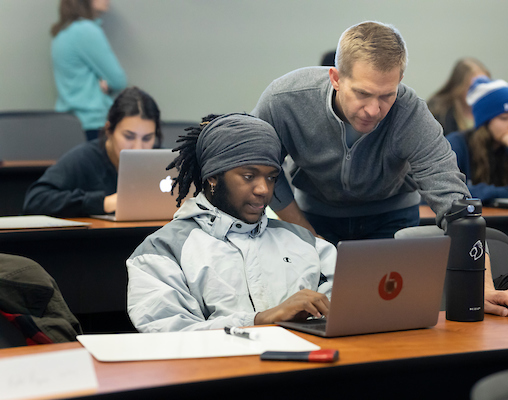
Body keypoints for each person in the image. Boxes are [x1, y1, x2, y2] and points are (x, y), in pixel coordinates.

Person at [252, 21, 508, 317]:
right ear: (335, 78)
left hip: (390, 216)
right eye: (362, 94)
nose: (374, 110)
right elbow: (260, 167)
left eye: (387, 95)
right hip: (314, 216)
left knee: (388, 317)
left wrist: (481, 287)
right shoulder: (285, 100)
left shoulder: (411, 114)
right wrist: (303, 230)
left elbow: (457, 205)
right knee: (317, 316)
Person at [126, 113, 336, 332]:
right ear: (212, 176)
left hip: (308, 363)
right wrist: (259, 320)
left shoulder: (308, 244)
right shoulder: (162, 250)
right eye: (248, 176)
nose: (263, 189)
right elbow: (167, 335)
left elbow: (344, 313)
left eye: (271, 177)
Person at [23, 87, 162, 217]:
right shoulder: (84, 158)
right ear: (109, 130)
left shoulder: (163, 163)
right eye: (129, 136)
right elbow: (35, 200)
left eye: (147, 138)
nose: (138, 148)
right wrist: (103, 203)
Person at [445, 76, 508, 204]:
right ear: (486, 122)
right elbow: (450, 190)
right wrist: (507, 192)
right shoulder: (457, 144)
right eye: (504, 118)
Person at [50, 0, 127, 141]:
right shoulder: (86, 30)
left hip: (69, 122)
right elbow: (118, 80)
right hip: (92, 123)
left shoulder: (64, 30)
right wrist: (105, 83)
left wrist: (102, 81)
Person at [427, 58, 491, 135]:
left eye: (484, 87)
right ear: (459, 88)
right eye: (472, 87)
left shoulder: (493, 111)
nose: (479, 92)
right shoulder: (439, 112)